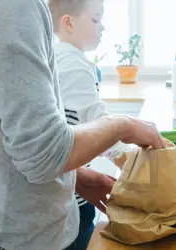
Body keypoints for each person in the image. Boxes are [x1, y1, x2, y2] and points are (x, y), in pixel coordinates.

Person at [0, 0, 166, 249]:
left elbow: (7, 130)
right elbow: (44, 154)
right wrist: (124, 125)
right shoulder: (11, 6)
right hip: (14, 241)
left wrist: (71, 176)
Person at [47, 0, 136, 249]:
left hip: (68, 183)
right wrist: (134, 165)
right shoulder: (73, 64)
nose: (102, 28)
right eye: (96, 20)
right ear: (68, 22)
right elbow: (99, 123)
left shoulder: (54, 56)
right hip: (73, 198)